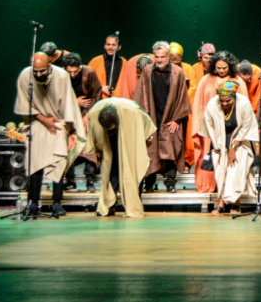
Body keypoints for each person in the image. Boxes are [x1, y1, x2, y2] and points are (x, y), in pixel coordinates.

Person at [14, 53, 85, 218]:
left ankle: (57, 202)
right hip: (36, 121)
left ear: (50, 66)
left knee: (59, 161)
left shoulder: (61, 76)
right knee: (35, 162)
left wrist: (71, 131)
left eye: (42, 71)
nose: (38, 74)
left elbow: (68, 104)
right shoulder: (26, 75)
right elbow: (25, 103)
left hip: (58, 121)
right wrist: (43, 119)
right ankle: (33, 202)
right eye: (36, 71)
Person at [133, 42, 191, 193]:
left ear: (168, 56)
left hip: (170, 118)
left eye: (162, 57)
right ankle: (149, 182)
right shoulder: (147, 71)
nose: (159, 60)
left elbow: (182, 98)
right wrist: (144, 119)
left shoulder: (177, 72)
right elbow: (140, 95)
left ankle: (170, 182)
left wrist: (177, 120)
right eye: (157, 57)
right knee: (150, 151)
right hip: (151, 117)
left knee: (170, 150)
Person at [83, 100, 157, 217]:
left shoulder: (133, 112)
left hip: (130, 138)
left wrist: (144, 143)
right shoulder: (94, 113)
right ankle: (109, 206)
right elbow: (94, 135)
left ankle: (133, 205)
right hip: (110, 145)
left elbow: (148, 131)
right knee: (111, 172)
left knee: (132, 170)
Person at [198, 80, 260, 215]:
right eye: (222, 101)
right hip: (220, 139)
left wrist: (233, 147)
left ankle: (235, 203)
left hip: (241, 141)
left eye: (228, 101)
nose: (225, 103)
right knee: (221, 171)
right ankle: (220, 202)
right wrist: (218, 145)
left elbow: (247, 125)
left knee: (235, 171)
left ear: (234, 96)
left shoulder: (243, 103)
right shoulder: (213, 103)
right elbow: (209, 124)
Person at [191, 51, 249, 192]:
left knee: (231, 157)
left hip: (232, 127)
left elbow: (244, 105)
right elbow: (198, 104)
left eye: (224, 68)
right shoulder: (206, 80)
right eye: (218, 68)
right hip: (211, 127)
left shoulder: (238, 81)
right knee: (210, 156)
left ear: (230, 67)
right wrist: (199, 126)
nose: (221, 71)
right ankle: (209, 185)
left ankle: (230, 189)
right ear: (213, 66)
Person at [63, 53, 103, 192]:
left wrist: (88, 114)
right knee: (68, 147)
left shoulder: (89, 72)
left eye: (76, 71)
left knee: (89, 146)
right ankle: (69, 180)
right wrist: (75, 102)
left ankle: (90, 180)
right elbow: (59, 98)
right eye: (70, 72)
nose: (73, 74)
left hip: (87, 113)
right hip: (68, 115)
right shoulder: (61, 76)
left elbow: (97, 93)